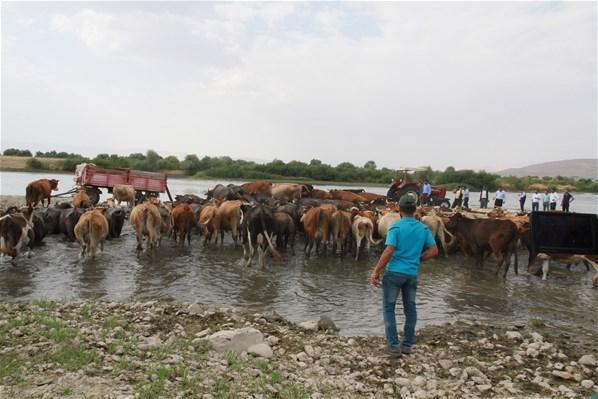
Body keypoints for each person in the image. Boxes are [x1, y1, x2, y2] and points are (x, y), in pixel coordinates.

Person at [370, 194, 438, 357]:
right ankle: (407, 345)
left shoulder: (396, 227)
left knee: (389, 308)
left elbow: (389, 250)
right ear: (415, 210)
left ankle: (393, 346)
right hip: (411, 274)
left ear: (399, 210)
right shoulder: (423, 229)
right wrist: (418, 259)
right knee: (410, 309)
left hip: (394, 274)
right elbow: (434, 251)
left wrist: (376, 271)